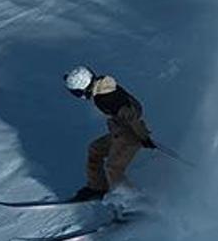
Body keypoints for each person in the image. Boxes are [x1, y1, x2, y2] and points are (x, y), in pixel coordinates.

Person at [63, 65, 156, 201]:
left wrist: (143, 137)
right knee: (95, 149)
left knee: (113, 167)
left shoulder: (105, 97)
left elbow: (131, 116)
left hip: (131, 134)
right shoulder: (101, 86)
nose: (79, 96)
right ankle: (97, 187)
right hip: (121, 131)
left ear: (84, 88)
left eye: (77, 93)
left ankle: (132, 201)